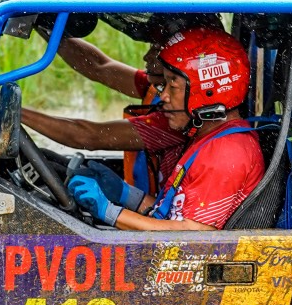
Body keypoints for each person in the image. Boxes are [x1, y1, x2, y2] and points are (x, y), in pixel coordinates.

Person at [61, 28, 264, 232]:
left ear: (207, 92)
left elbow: (193, 238)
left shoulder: (226, 152)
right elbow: (171, 215)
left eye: (172, 86)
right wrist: (127, 195)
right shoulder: (207, 139)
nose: (164, 96)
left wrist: (109, 212)